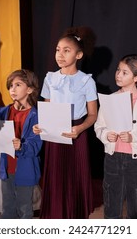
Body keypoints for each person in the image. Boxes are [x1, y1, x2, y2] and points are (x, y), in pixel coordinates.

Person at [33, 26, 98, 219]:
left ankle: (74, 216)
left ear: (79, 55)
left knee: (74, 176)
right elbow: (47, 110)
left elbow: (92, 115)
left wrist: (79, 128)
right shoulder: (50, 78)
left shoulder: (87, 81)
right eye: (57, 49)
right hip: (54, 133)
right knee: (55, 175)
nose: (60, 55)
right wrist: (40, 126)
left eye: (66, 50)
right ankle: (55, 215)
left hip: (75, 132)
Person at [94, 54, 137, 219]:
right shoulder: (110, 99)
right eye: (118, 70)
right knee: (111, 199)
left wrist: (133, 137)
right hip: (113, 157)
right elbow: (99, 126)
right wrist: (106, 135)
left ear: (136, 77)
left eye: (124, 72)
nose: (118, 75)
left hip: (135, 160)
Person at [0, 69, 42, 218]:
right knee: (7, 207)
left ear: (30, 89)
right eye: (10, 86)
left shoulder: (36, 115)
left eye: (18, 85)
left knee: (24, 208)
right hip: (7, 168)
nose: (12, 89)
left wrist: (21, 146)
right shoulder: (2, 112)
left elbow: (36, 145)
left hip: (25, 170)